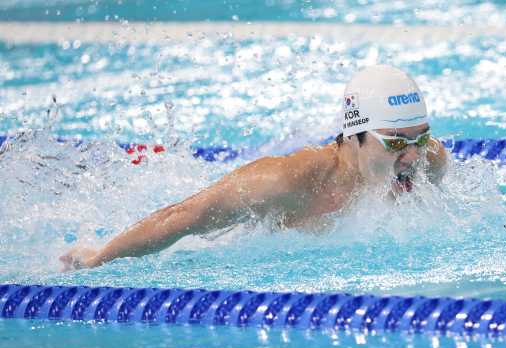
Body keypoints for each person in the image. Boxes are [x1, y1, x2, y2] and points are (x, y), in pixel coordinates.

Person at [60, 65, 448, 270]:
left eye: (420, 137)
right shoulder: (283, 182)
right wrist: (98, 258)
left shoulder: (430, 161)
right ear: (353, 137)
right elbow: (183, 217)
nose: (412, 156)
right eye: (395, 141)